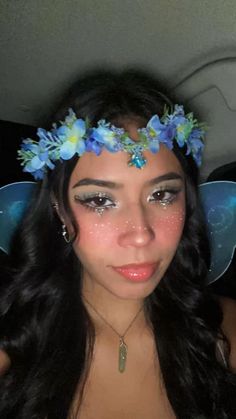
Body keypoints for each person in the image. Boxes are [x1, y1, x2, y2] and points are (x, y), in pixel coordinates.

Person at [0, 68, 236, 419]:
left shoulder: (223, 327)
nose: (140, 233)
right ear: (59, 210)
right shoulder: (12, 341)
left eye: (162, 194)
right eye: (99, 201)